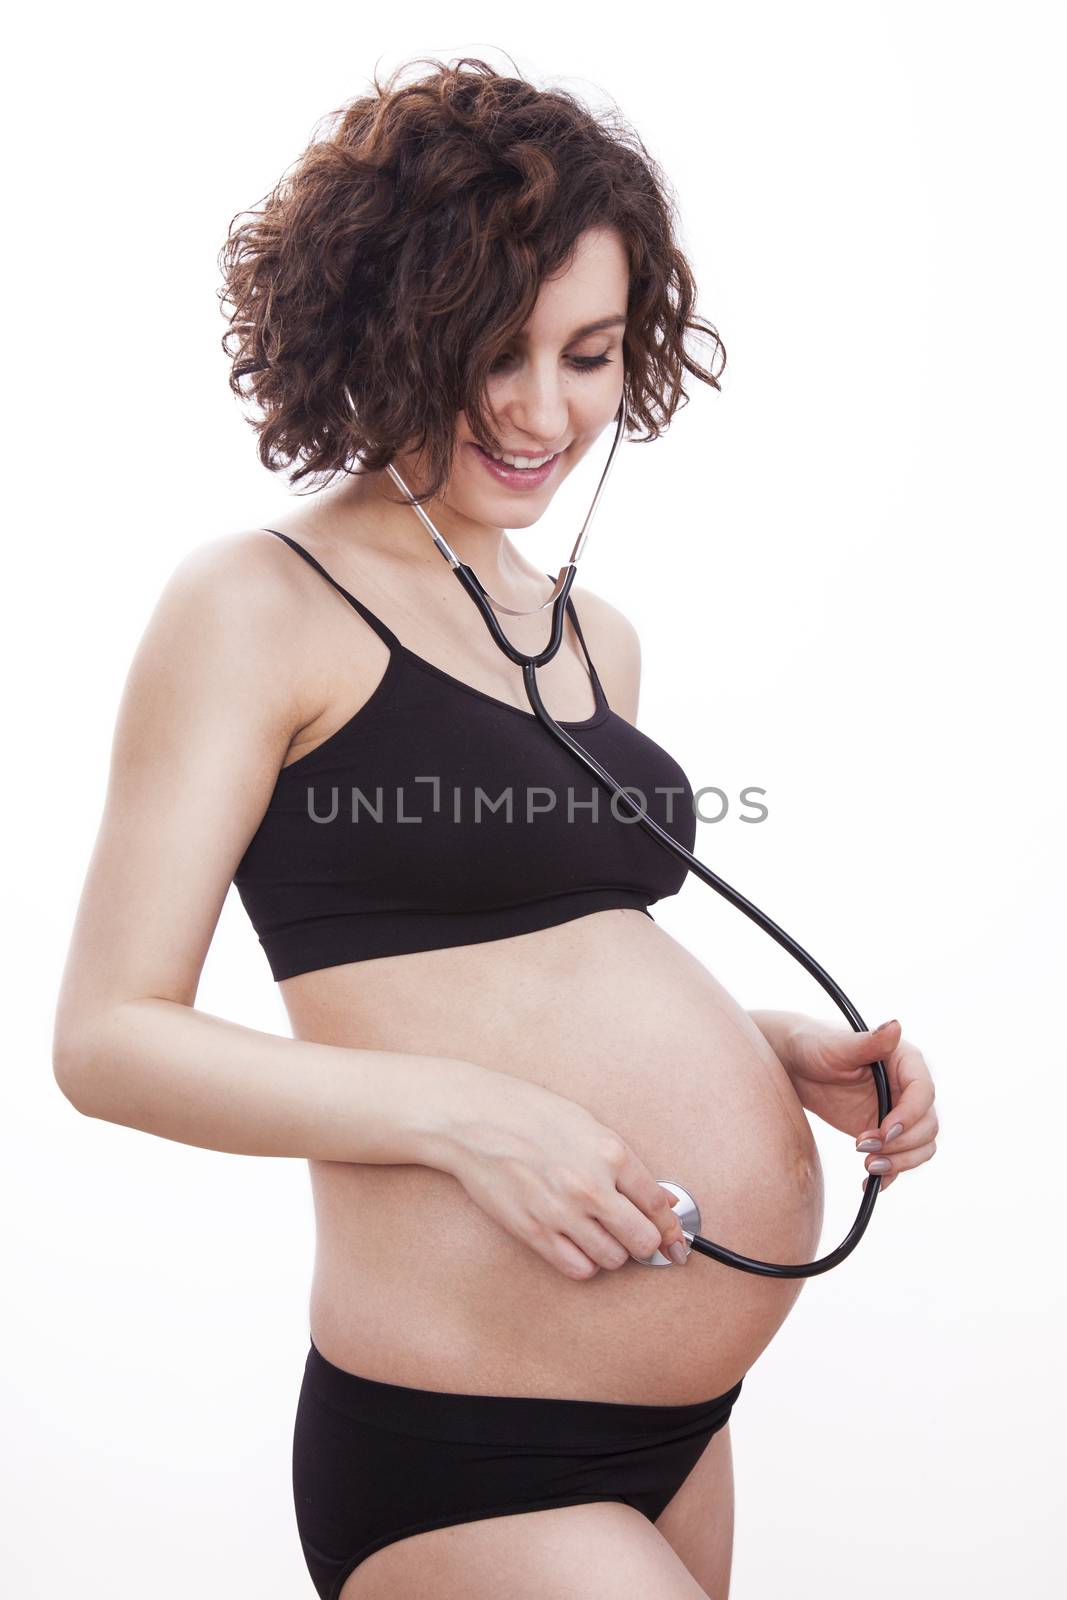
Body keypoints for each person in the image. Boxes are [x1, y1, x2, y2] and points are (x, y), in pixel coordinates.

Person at [52, 56, 939, 1600]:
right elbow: (106, 1037)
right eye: (493, 353)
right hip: (461, 1445)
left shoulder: (595, 634)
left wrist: (762, 1048)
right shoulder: (256, 605)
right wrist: (472, 1118)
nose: (545, 412)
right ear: (387, 333)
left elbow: (525, 956)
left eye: (589, 355)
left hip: (685, 1429)